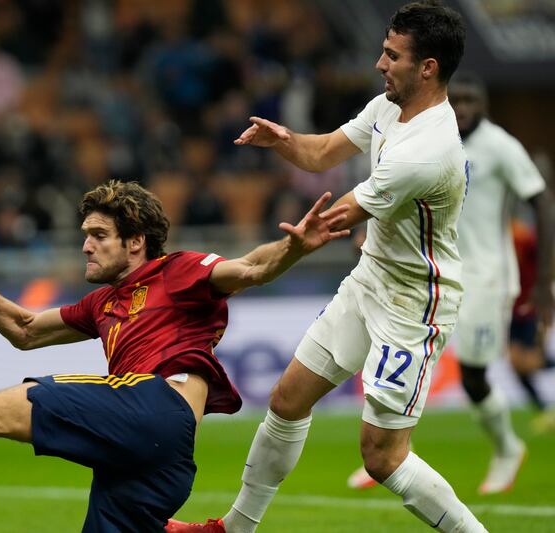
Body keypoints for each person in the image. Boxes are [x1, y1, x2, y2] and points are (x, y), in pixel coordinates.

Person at [0, 180, 350, 532]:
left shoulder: (178, 272)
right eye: (85, 233)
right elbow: (23, 329)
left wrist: (292, 249)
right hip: (155, 463)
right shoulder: (101, 304)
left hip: (157, 406)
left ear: (136, 242)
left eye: (98, 234)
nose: (85, 244)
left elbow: (249, 268)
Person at [167, 3, 488, 532]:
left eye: (392, 55)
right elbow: (323, 154)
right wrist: (286, 141)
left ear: (427, 67)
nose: (379, 64)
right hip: (370, 279)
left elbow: (342, 214)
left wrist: (289, 246)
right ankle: (236, 528)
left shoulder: (428, 149)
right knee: (287, 399)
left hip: (413, 303)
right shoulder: (389, 108)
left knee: (382, 457)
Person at [347, 72, 555, 493]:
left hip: (484, 276)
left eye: (470, 101)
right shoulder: (433, 137)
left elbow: (541, 199)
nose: (461, 108)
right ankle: (391, 453)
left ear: (484, 105)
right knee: (403, 359)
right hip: (431, 269)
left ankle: (506, 447)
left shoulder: (500, 147)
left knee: (474, 376)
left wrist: (544, 278)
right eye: (455, 99)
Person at [509, 219, 555, 432]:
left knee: (527, 363)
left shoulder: (524, 237)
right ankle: (545, 410)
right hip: (511, 309)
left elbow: (546, 259)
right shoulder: (503, 237)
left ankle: (546, 410)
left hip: (529, 307)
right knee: (517, 365)